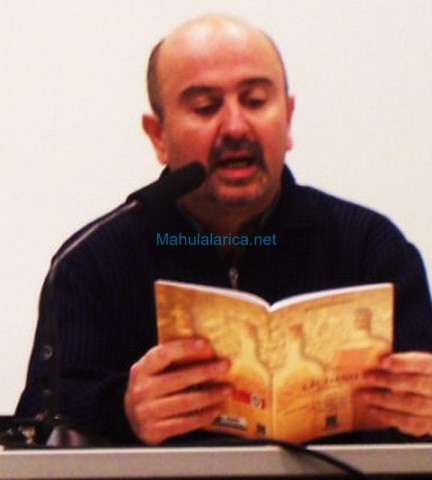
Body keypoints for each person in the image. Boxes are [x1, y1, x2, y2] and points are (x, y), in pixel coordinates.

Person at [16, 14, 432, 446]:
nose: (235, 127)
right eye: (205, 107)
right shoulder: (90, 262)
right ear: (158, 136)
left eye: (255, 101)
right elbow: (36, 427)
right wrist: (121, 410)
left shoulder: (370, 248)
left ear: (288, 118)